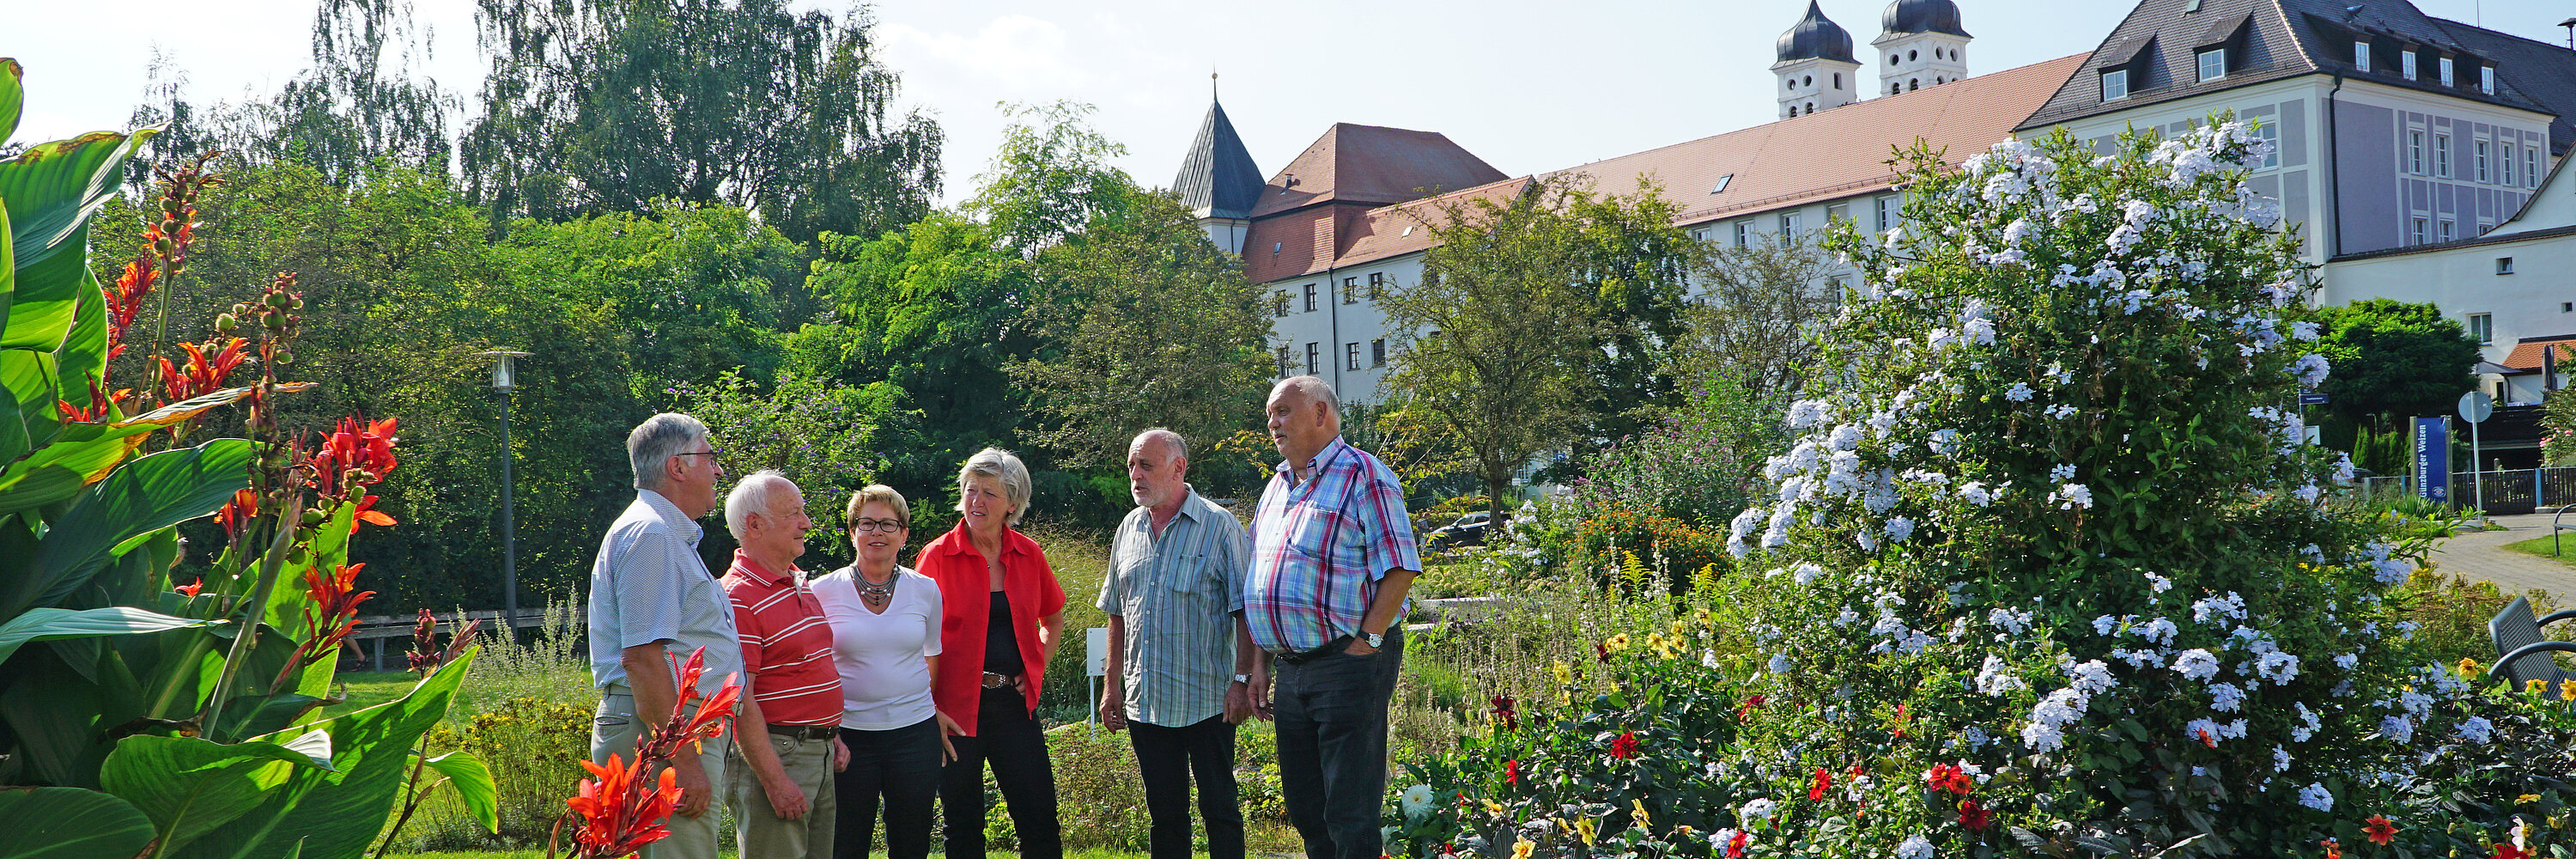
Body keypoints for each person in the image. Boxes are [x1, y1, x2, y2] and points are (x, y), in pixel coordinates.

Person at [1243, 376, 1422, 859]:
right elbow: (1262, 580)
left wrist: (1366, 640)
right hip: (1291, 668)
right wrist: (1257, 664)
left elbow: (1402, 565)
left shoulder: (1365, 474)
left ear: (1321, 413)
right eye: (1270, 415)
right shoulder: (1276, 486)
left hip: (1347, 662)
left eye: (1282, 411)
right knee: (1306, 807)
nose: (1272, 423)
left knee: (1349, 812)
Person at [586, 413, 742, 859]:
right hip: (664, 731)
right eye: (710, 457)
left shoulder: (661, 532)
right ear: (677, 467)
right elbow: (642, 659)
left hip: (665, 728)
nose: (717, 470)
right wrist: (683, 760)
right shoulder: (652, 534)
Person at [1097, 430, 1258, 859]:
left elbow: (1245, 610)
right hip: (1146, 699)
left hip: (1208, 699)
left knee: (1220, 809)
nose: (1135, 475)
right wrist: (1112, 684)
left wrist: (1242, 680)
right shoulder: (1128, 528)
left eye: (1145, 465)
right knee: (1165, 816)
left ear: (1178, 467)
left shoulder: (1218, 525)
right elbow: (1116, 611)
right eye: (1131, 466)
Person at [922, 448, 1066, 859]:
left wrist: (1036, 667)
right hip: (954, 712)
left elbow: (1053, 618)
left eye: (989, 493)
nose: (976, 501)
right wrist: (929, 705)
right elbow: (914, 640)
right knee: (963, 827)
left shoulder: (1028, 553)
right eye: (970, 491)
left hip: (1014, 707)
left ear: (1013, 504)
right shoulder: (937, 556)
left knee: (1039, 819)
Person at [814, 484, 958, 859]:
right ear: (852, 533)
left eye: (887, 524)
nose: (876, 532)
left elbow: (931, 655)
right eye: (866, 524)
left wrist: (931, 711)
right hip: (848, 737)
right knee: (847, 843)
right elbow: (814, 666)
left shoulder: (926, 590)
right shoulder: (821, 592)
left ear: (904, 534)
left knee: (911, 843)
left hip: (913, 737)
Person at [719, 471, 845, 859]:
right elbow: (740, 700)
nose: (806, 523)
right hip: (779, 756)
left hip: (815, 752)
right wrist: (775, 781)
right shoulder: (739, 597)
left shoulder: (796, 581)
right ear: (754, 525)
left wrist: (831, 734)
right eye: (794, 513)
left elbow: (805, 666)